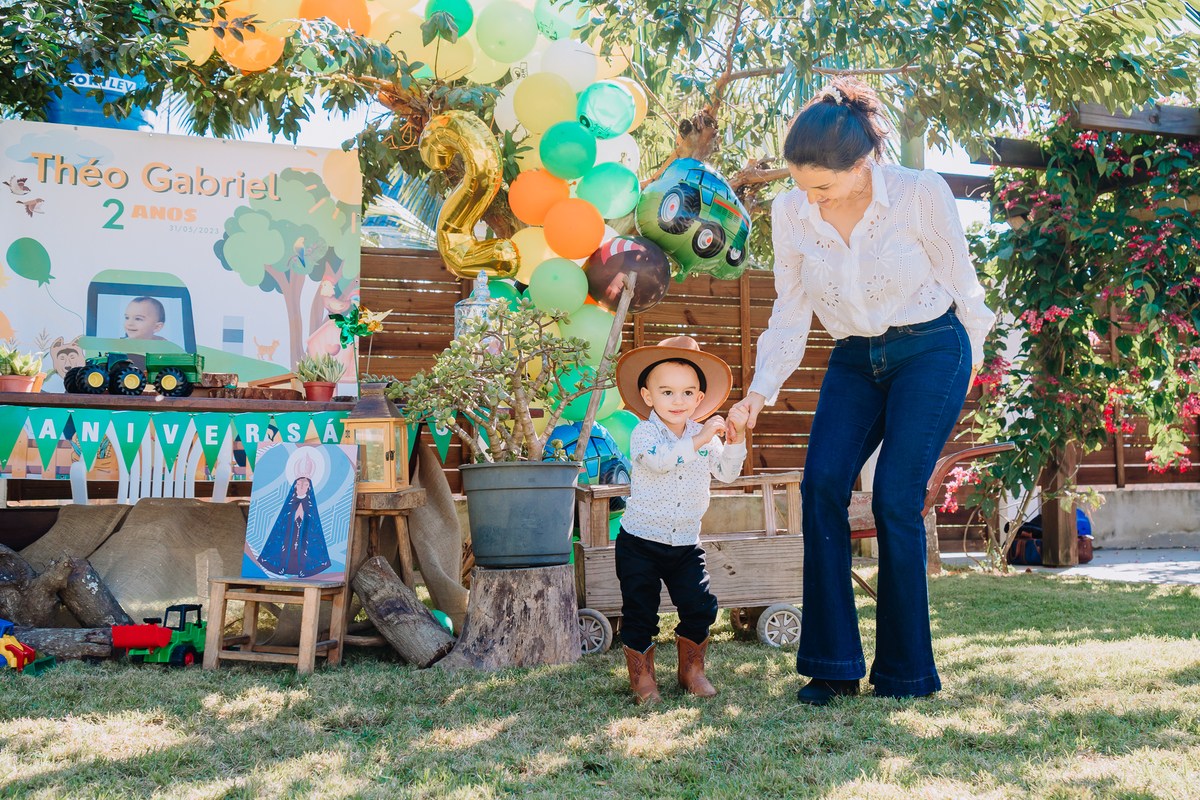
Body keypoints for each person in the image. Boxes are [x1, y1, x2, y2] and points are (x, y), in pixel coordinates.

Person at [728, 78, 996, 705]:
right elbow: (790, 313)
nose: (810, 198)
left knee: (895, 500)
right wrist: (758, 394)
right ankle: (832, 666)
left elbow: (965, 284)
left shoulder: (919, 193)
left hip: (932, 347)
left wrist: (972, 366)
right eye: (799, 182)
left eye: (823, 185)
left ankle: (905, 675)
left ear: (865, 161)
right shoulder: (790, 210)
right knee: (820, 485)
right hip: (854, 354)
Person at [613, 335, 750, 704]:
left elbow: (726, 473)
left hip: (686, 543)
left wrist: (734, 440)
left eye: (688, 393)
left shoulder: (703, 435)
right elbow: (659, 461)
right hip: (640, 541)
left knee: (700, 605)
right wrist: (703, 436)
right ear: (647, 396)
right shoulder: (644, 433)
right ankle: (643, 680)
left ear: (699, 399)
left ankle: (691, 670)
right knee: (640, 610)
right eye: (668, 392)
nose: (678, 401)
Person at [256, 452, 332, 578]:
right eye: (299, 484)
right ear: (295, 486)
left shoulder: (311, 505)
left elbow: (314, 529)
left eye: (305, 484)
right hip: (288, 540)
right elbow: (281, 526)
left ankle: (302, 568)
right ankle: (283, 566)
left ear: (309, 487)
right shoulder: (289, 504)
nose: (302, 487)